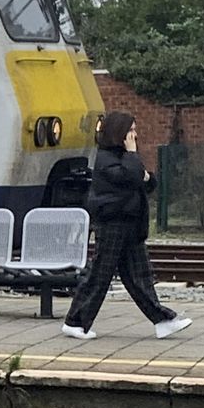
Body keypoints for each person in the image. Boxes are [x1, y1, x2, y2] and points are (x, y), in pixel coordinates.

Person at [62, 111, 192, 341]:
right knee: (99, 274)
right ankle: (75, 322)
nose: (135, 135)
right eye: (130, 131)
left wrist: (142, 174)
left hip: (129, 224)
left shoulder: (123, 157)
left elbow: (148, 181)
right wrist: (135, 163)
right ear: (118, 133)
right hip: (113, 223)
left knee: (139, 276)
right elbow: (131, 177)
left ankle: (163, 321)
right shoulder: (106, 157)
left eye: (134, 130)